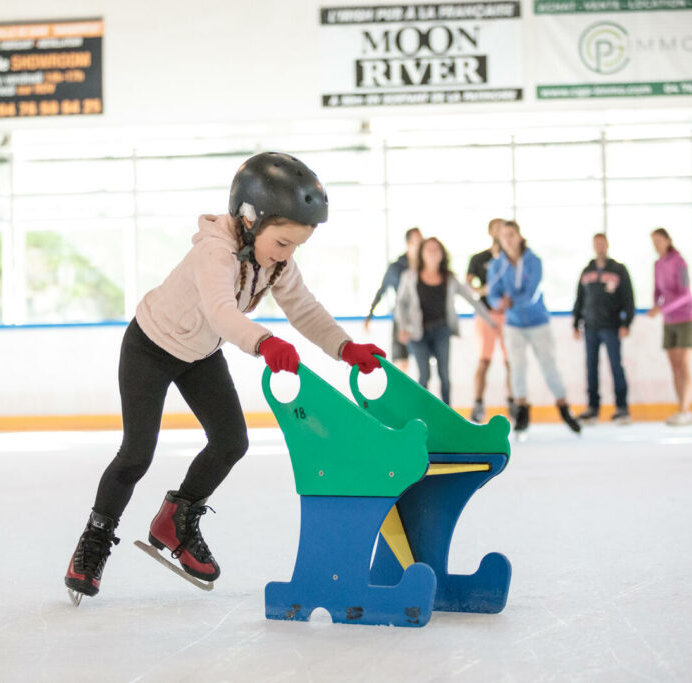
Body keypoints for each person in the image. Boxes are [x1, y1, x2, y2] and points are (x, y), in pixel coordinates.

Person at [64, 152, 387, 602]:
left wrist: (344, 349)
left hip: (199, 354)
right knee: (137, 453)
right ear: (250, 219)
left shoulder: (276, 262)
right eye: (282, 243)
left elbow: (304, 309)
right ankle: (94, 540)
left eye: (296, 246)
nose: (287, 254)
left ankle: (175, 518)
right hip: (150, 347)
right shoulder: (213, 252)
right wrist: (263, 343)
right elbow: (220, 312)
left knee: (231, 441)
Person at [487, 220, 581, 436]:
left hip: (538, 321)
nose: (509, 239)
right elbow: (493, 293)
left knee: (549, 365)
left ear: (519, 236)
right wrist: (498, 303)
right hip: (513, 324)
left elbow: (532, 292)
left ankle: (564, 406)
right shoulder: (497, 265)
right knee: (517, 367)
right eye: (504, 235)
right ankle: (521, 410)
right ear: (499, 239)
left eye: (512, 234)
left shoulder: (533, 261)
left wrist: (510, 302)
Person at [395, 237, 494, 406]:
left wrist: (491, 321)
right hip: (417, 333)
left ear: (442, 254)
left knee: (444, 376)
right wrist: (402, 328)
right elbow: (400, 303)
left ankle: (447, 411)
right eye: (428, 250)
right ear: (421, 254)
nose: (433, 253)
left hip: (441, 330)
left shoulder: (449, 278)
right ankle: (422, 413)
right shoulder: (410, 277)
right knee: (424, 375)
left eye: (436, 249)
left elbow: (472, 300)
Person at [571, 233, 635, 425]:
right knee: (591, 368)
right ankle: (592, 408)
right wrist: (576, 323)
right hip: (590, 327)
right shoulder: (587, 271)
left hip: (612, 326)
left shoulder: (618, 270)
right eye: (596, 243)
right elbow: (579, 299)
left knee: (616, 366)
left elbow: (628, 298)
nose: (599, 246)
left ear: (607, 245)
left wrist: (626, 323)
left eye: (602, 243)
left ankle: (622, 408)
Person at [646, 227, 692, 426]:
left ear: (668, 240)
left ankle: (685, 410)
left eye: (659, 240)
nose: (656, 245)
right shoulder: (657, 264)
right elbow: (657, 290)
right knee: (674, 367)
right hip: (669, 321)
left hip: (685, 319)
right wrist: (656, 305)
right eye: (653, 241)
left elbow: (685, 294)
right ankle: (680, 408)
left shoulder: (680, 262)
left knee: (683, 366)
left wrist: (663, 308)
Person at [466, 218, 515, 423]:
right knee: (484, 361)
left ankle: (514, 403)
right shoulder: (478, 259)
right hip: (486, 314)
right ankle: (478, 404)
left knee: (511, 362)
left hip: (510, 316)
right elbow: (467, 285)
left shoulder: (512, 258)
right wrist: (483, 291)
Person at [363, 227, 422, 373]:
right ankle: (401, 393)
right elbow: (382, 290)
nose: (421, 244)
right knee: (401, 361)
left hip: (422, 318)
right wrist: (370, 315)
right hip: (401, 318)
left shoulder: (426, 267)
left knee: (423, 362)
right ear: (408, 243)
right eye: (417, 241)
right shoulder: (396, 267)